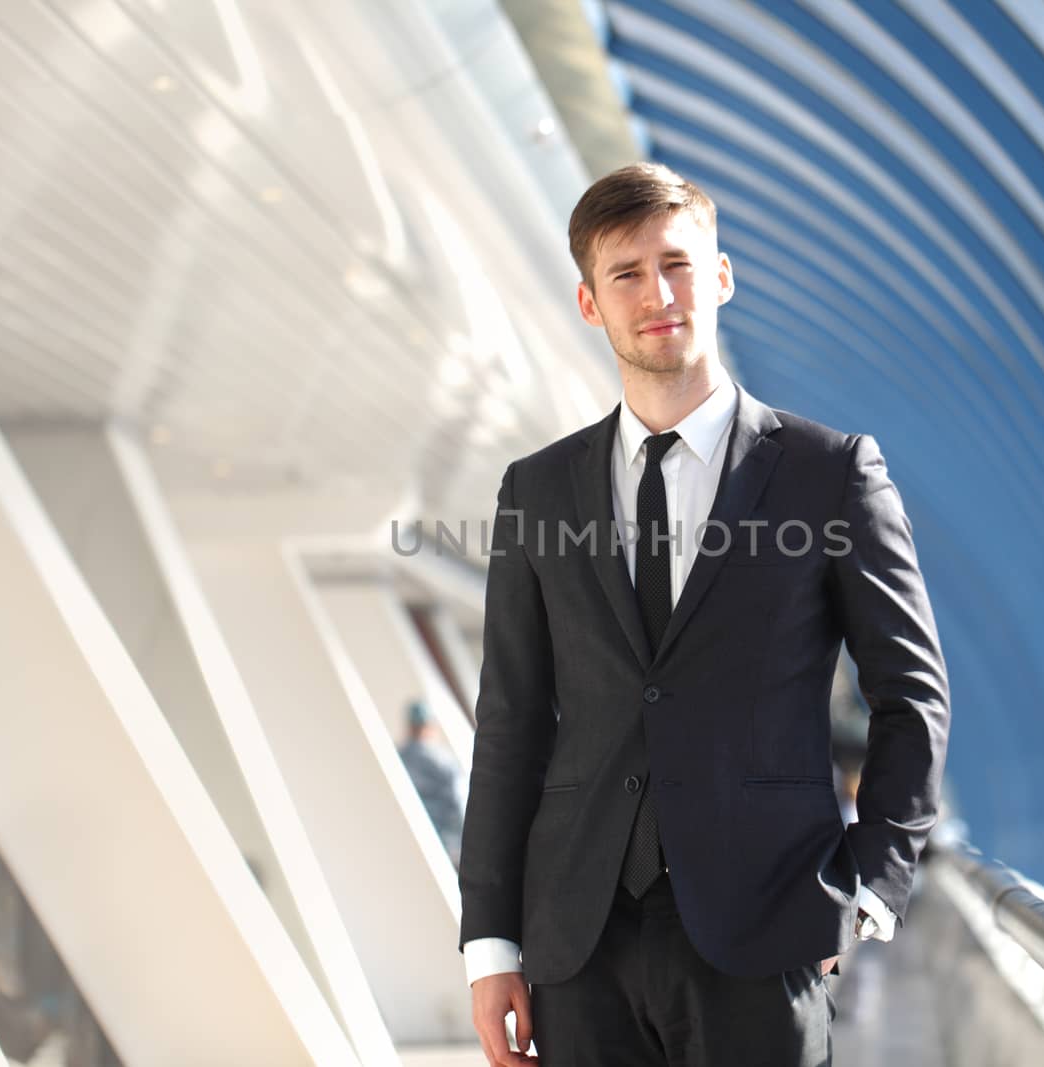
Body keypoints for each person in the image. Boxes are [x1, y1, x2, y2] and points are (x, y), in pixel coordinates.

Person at [458, 163, 950, 1066]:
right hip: (578, 943)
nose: (658, 294)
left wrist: (871, 883)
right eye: (626, 274)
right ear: (589, 302)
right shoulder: (537, 489)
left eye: (678, 264)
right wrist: (491, 944)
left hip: (767, 929)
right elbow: (511, 721)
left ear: (720, 276)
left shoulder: (830, 473)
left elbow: (910, 693)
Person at [398, 699, 465, 866]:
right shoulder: (441, 759)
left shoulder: (400, 757)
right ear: (431, 725)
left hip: (420, 838)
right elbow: (458, 799)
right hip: (449, 840)